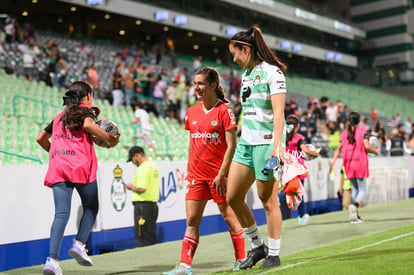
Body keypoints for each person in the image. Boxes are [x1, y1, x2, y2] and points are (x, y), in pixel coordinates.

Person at [165, 67, 245, 275]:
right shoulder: (191, 112)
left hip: (219, 175)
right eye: (194, 83)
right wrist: (189, 169)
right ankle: (184, 266)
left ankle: (241, 259)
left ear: (213, 85)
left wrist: (222, 174)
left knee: (228, 216)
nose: (196, 88)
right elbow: (192, 142)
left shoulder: (224, 111)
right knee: (191, 220)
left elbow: (231, 145)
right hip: (196, 176)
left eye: (200, 83)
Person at [36, 81, 120, 275]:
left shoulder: (59, 117)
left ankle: (52, 261)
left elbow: (40, 138)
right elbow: (89, 125)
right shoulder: (87, 112)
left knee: (60, 214)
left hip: (58, 167)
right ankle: (79, 244)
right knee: (91, 206)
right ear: (89, 96)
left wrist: (57, 155)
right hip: (80, 166)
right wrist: (110, 139)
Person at [226, 25, 287, 269]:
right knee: (232, 197)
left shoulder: (273, 73)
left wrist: (277, 148)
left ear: (246, 49)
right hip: (246, 144)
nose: (233, 58)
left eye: (235, 53)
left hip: (265, 144)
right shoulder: (246, 75)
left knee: (267, 199)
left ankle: (274, 253)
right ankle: (258, 246)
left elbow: (279, 114)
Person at [330, 111, 379, 224]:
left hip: (348, 164)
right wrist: (375, 151)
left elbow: (338, 149)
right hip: (360, 163)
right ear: (359, 121)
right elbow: (367, 146)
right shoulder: (363, 132)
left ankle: (355, 216)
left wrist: (333, 162)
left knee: (355, 189)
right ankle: (355, 205)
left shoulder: (343, 134)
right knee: (362, 189)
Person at [284, 115, 319, 225]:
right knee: (299, 192)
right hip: (297, 169)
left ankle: (300, 214)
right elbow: (305, 150)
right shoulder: (299, 137)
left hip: (286, 169)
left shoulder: (282, 137)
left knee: (292, 191)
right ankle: (302, 215)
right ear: (297, 126)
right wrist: (316, 153)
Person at [124, 146, 160, 247]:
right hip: (152, 205)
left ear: (137, 156)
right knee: (150, 235)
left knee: (142, 236)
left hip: (142, 207)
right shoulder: (153, 166)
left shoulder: (142, 168)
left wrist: (131, 187)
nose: (133, 162)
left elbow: (142, 188)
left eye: (132, 159)